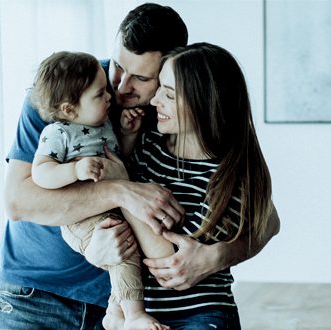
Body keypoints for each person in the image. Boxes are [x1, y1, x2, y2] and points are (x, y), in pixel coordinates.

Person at [0, 3, 280, 329]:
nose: (120, 86)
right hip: (37, 293)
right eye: (117, 65)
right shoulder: (64, 92)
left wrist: (219, 255)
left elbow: (265, 217)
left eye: (142, 78)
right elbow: (18, 202)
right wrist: (121, 192)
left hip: (122, 306)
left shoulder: (173, 111)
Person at [106, 42, 275, 329]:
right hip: (142, 315)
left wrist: (122, 190)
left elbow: (169, 262)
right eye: (159, 88)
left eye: (169, 95)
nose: (155, 100)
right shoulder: (148, 146)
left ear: (204, 103)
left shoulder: (229, 175)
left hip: (200, 315)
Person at [29, 50, 168, 330]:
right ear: (69, 109)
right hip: (80, 219)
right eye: (100, 93)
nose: (110, 97)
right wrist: (74, 170)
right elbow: (40, 172)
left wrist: (127, 135)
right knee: (125, 249)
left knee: (130, 248)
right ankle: (133, 315)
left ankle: (116, 311)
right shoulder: (58, 133)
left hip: (108, 209)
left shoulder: (102, 123)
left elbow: (118, 162)